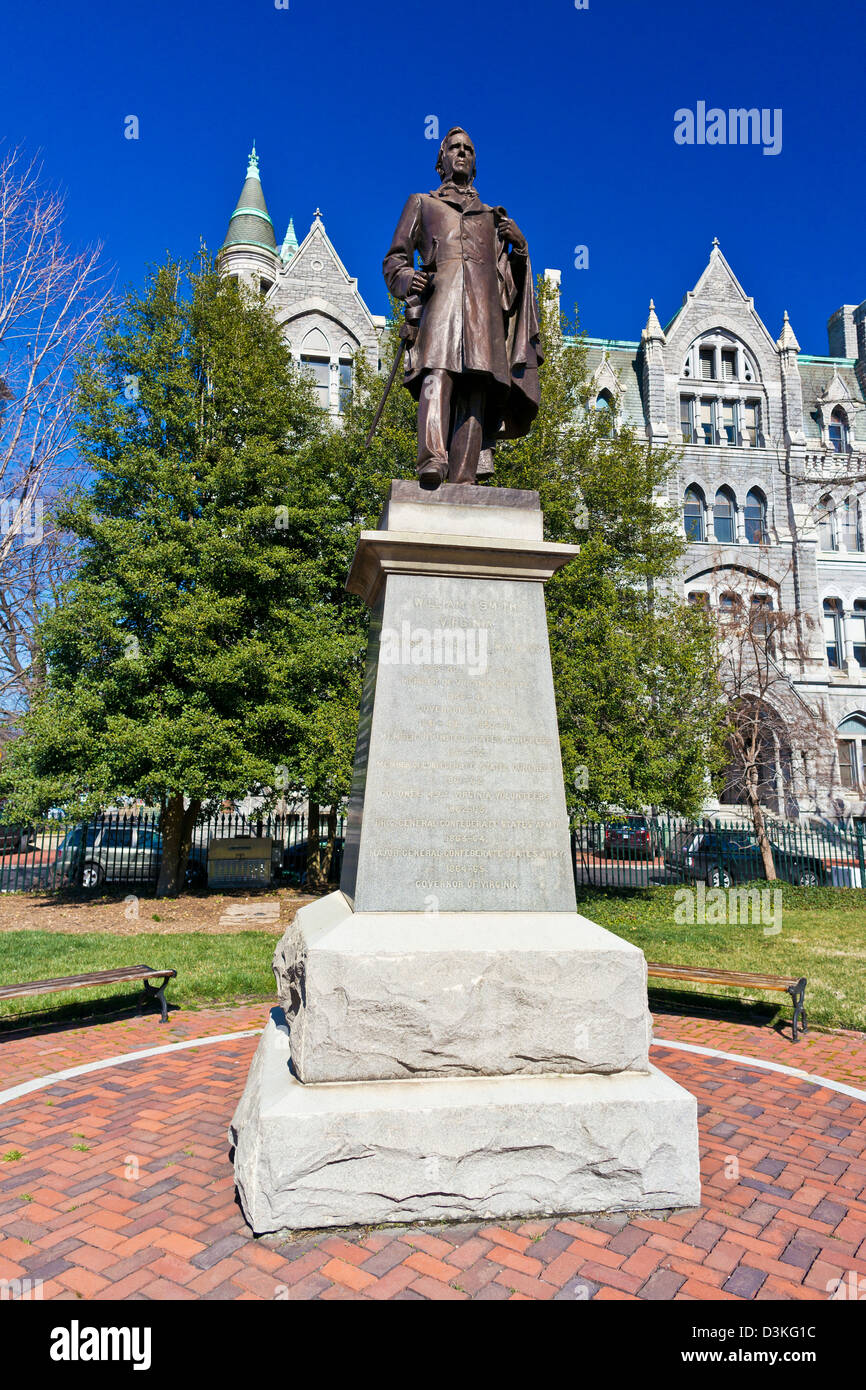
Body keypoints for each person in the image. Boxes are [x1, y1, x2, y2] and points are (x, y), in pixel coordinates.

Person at [383, 127, 542, 486]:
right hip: (440, 306)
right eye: (454, 147)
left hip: (483, 317)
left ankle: (465, 477)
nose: (461, 152)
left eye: (468, 149)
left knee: (476, 391)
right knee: (436, 375)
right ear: (440, 161)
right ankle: (433, 460)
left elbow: (511, 288)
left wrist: (521, 250)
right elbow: (394, 261)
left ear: (474, 163)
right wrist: (409, 280)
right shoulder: (422, 203)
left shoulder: (492, 217)